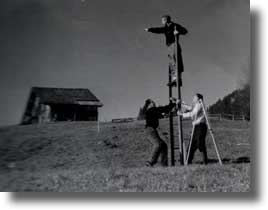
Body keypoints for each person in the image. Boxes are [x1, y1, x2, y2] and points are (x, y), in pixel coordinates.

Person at [145, 15, 188, 87]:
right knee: (172, 61)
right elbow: (158, 30)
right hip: (169, 46)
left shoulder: (175, 25)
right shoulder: (165, 28)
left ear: (165, 20)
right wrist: (149, 29)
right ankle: (175, 79)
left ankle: (178, 79)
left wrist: (178, 32)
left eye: (162, 20)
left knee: (176, 60)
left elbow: (185, 31)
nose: (162, 22)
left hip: (174, 44)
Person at [143, 98, 176, 167]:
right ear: (149, 105)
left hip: (151, 130)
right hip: (150, 130)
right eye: (152, 102)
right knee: (157, 144)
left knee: (163, 146)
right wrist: (173, 103)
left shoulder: (151, 112)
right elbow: (163, 109)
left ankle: (164, 165)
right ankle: (150, 162)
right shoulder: (151, 110)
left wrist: (170, 108)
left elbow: (162, 112)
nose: (154, 103)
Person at [177, 94, 208, 164]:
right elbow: (189, 108)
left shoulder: (200, 104)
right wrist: (180, 103)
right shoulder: (195, 106)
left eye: (194, 97)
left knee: (200, 144)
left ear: (198, 98)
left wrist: (182, 114)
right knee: (191, 145)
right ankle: (188, 161)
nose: (193, 98)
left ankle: (205, 161)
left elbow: (193, 113)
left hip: (201, 126)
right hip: (196, 127)